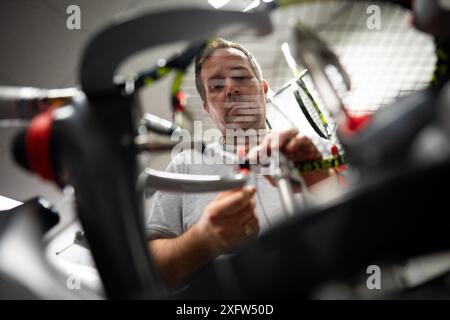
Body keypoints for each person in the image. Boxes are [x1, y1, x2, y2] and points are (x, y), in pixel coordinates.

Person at [146, 38, 332, 289]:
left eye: (241, 78)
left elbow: (359, 231)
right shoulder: (185, 165)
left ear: (263, 89)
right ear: (208, 109)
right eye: (216, 86)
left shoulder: (310, 150)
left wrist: (322, 183)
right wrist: (204, 239)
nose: (230, 89)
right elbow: (152, 272)